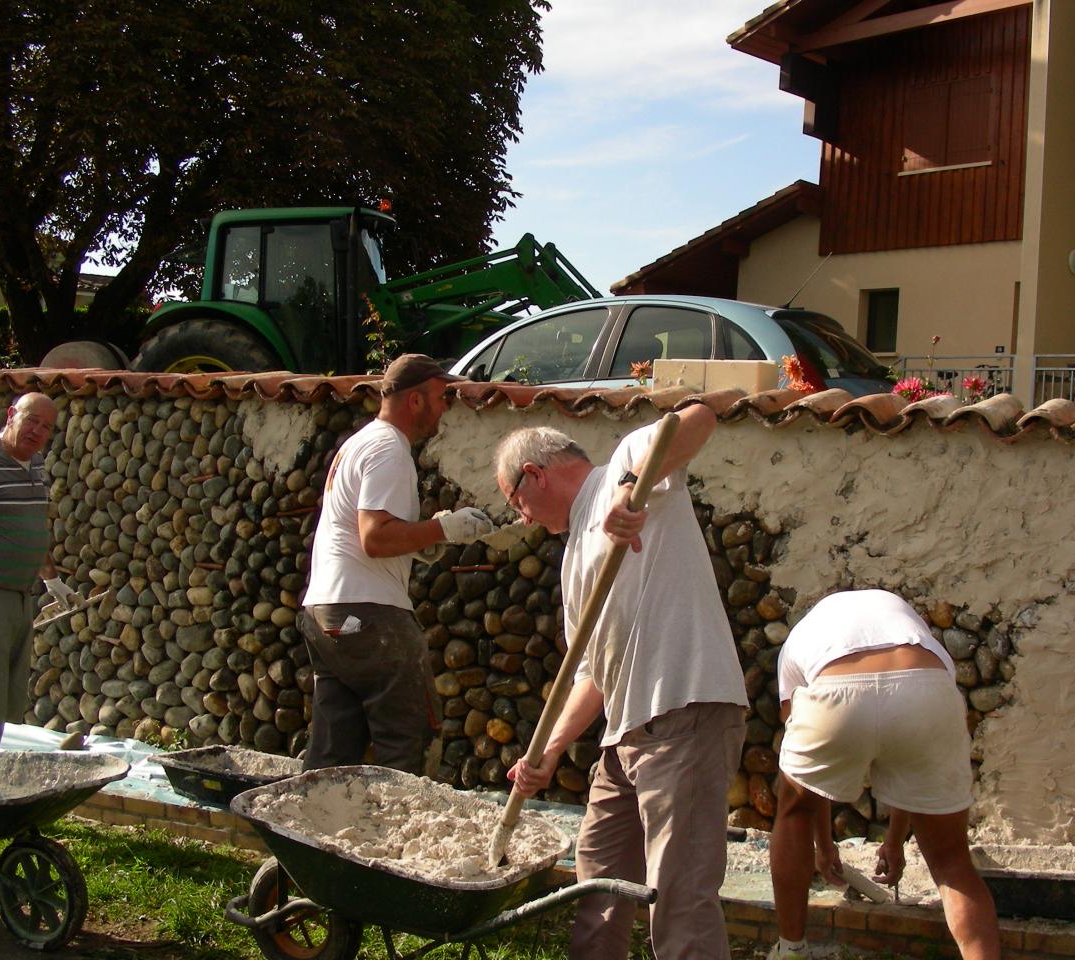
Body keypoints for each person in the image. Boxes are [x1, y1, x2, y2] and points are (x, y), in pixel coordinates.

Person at [496, 406, 747, 960]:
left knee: (678, 900)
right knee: (599, 888)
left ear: (534, 474)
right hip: (625, 733)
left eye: (517, 504)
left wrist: (629, 490)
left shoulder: (623, 467)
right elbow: (591, 672)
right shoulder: (572, 560)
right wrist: (551, 750)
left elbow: (699, 417)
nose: (524, 520)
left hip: (683, 711)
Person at [769, 589, 1000, 960]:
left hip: (835, 687)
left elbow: (809, 780)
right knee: (951, 860)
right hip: (926, 688)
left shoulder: (804, 635)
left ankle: (791, 949)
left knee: (792, 812)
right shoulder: (913, 629)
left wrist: (823, 846)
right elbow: (910, 775)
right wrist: (895, 842)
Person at [300, 354, 493, 775]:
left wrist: (423, 539)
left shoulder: (361, 442)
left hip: (326, 614)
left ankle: (308, 834)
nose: (445, 407)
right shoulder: (390, 450)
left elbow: (367, 533)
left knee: (333, 757)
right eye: (441, 397)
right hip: (369, 616)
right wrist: (445, 530)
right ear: (416, 401)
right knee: (408, 744)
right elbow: (375, 537)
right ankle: (400, 838)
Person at [0, 392, 81, 750]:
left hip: (20, 597)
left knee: (4, 703)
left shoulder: (37, 463)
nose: (38, 431)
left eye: (46, 427)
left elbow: (33, 524)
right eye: (32, 420)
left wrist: (52, 579)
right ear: (12, 414)